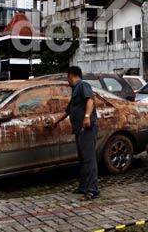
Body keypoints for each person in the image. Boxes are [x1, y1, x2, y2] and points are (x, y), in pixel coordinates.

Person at [52, 66, 99, 200]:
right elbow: (68, 111)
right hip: (79, 130)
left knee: (89, 160)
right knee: (83, 159)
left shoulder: (83, 85)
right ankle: (84, 187)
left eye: (67, 78)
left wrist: (86, 116)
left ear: (71, 76)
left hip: (87, 129)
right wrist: (56, 122)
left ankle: (92, 190)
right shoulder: (75, 91)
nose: (67, 81)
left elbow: (90, 100)